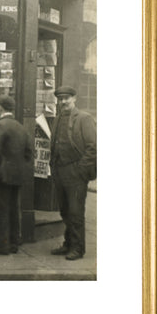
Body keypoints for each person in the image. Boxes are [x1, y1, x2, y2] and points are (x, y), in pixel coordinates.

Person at [49, 86, 97, 261]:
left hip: (75, 172)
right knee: (65, 210)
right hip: (59, 171)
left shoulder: (84, 118)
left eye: (66, 98)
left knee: (76, 212)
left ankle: (78, 248)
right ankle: (68, 243)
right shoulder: (57, 119)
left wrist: (80, 170)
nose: (63, 102)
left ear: (74, 98)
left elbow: (93, 147)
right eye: (60, 99)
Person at [0, 96, 34, 255]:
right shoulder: (21, 127)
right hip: (18, 174)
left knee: (1, 209)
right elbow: (29, 152)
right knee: (15, 209)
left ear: (0, 108)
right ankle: (14, 243)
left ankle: (2, 245)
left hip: (2, 174)